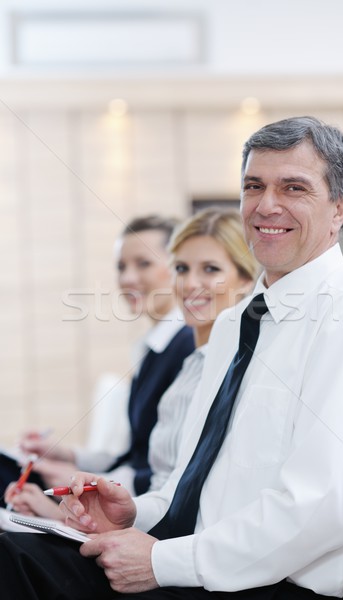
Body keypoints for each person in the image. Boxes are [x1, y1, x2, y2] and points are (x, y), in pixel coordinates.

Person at [1, 116, 343, 600]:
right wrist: (135, 514)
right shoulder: (235, 324)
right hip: (195, 560)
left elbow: (322, 508)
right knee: (11, 552)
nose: (267, 204)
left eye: (294, 187)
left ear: (340, 208)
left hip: (271, 586)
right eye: (254, 186)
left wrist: (160, 560)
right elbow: (195, 479)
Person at [4, 208, 257, 517]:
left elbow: (165, 480)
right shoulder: (184, 355)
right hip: (134, 509)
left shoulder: (195, 354)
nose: (127, 278)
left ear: (244, 280)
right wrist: (72, 462)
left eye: (144, 263)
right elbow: (143, 456)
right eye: (182, 268)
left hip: (142, 516)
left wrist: (73, 503)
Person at [0, 215, 195, 505]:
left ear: (178, 268)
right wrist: (67, 456)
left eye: (143, 263)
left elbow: (166, 468)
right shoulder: (153, 347)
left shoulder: (186, 346)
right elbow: (136, 453)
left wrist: (84, 477)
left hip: (140, 506)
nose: (127, 278)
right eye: (121, 266)